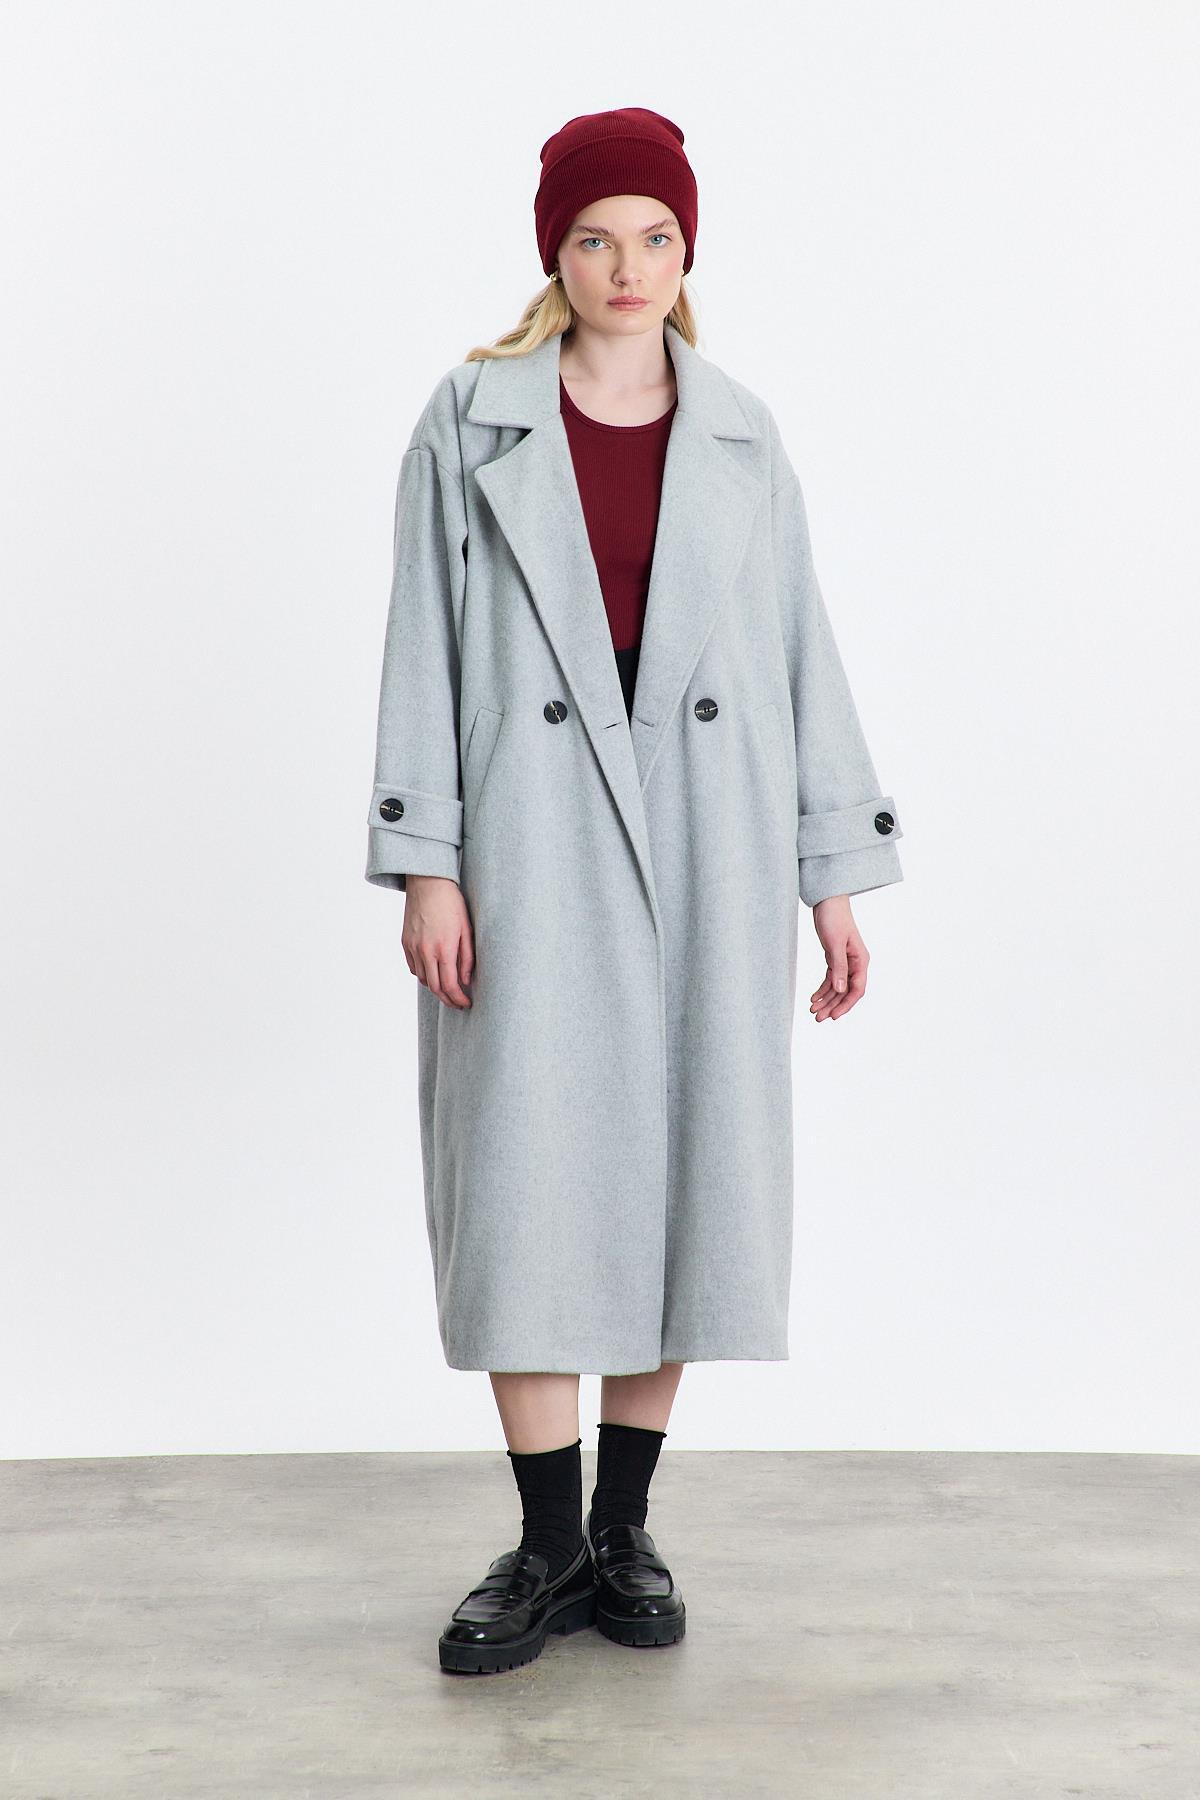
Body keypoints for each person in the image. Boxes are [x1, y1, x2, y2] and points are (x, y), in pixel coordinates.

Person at [364, 107, 905, 1675]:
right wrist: (426, 863)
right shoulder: (470, 419)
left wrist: (833, 878)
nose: (628, 267)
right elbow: (419, 647)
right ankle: (544, 1543)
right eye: (596, 237)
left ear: (688, 252)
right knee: (524, 1166)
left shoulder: (741, 431)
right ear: (557, 251)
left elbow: (800, 648)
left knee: (685, 1165)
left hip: (710, 830)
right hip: (527, 833)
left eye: (656, 238)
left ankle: (623, 1529)